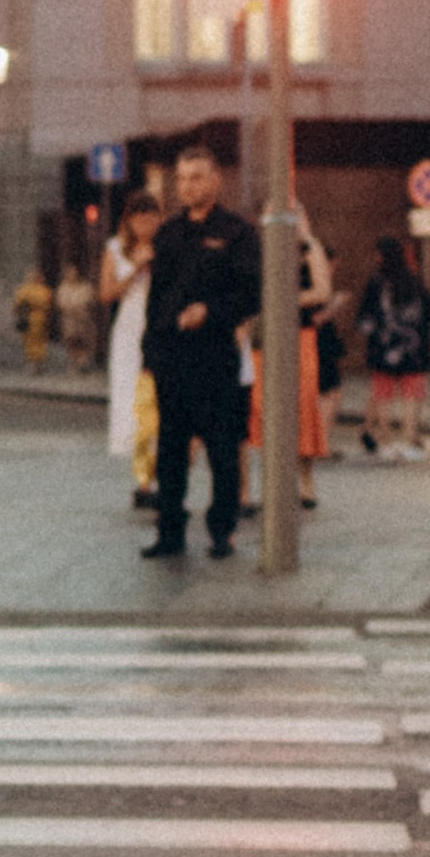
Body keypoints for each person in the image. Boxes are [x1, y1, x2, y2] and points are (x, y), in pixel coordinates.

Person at [141, 141, 261, 559]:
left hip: (215, 360)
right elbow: (155, 300)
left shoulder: (236, 233)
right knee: (171, 451)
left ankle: (221, 530)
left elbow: (252, 293)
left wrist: (210, 312)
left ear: (215, 180)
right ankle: (169, 531)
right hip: (173, 360)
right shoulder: (170, 233)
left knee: (223, 451)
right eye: (181, 179)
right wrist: (150, 355)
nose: (187, 187)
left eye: (195, 178)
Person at [247, 216, 335, 508]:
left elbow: (322, 291)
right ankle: (267, 483)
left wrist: (285, 299)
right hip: (266, 338)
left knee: (303, 404)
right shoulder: (259, 251)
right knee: (260, 406)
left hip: (301, 335)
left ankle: (306, 484)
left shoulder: (310, 249)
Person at [101, 194, 162, 507]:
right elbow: (106, 293)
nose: (146, 225)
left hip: (160, 327)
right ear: (129, 221)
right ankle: (143, 481)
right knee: (134, 405)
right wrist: (134, 269)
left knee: (160, 406)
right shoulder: (115, 248)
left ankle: (160, 476)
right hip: (129, 329)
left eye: (152, 218)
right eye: (139, 219)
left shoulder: (166, 245)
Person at [357, 232, 430, 460]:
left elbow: (365, 318)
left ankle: (385, 443)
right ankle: (410, 442)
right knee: (411, 398)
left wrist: (372, 334)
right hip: (415, 352)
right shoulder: (415, 281)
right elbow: (429, 317)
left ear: (382, 256)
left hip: (383, 350)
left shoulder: (377, 282)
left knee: (384, 397)